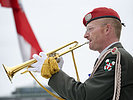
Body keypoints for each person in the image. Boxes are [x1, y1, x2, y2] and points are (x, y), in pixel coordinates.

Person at [28, 7, 133, 100]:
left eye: (90, 29)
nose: (85, 35)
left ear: (107, 29)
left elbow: (84, 96)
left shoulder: (114, 57)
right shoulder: (110, 56)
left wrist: (54, 74)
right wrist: (58, 72)